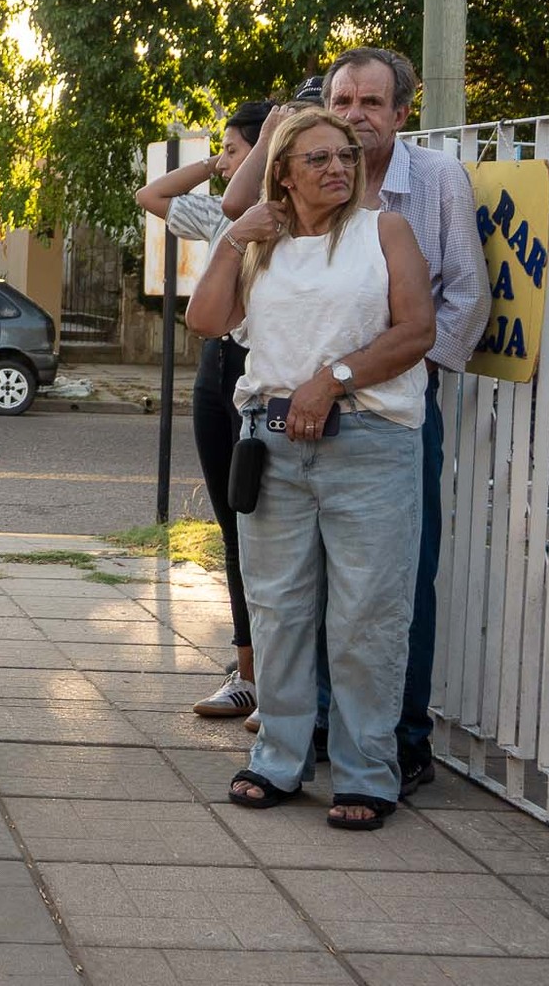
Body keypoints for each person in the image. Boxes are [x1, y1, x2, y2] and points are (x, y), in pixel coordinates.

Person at [224, 50, 487, 794]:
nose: (354, 118)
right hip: (284, 432)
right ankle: (303, 737)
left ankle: (395, 746)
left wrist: (380, 377)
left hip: (386, 417)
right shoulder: (277, 220)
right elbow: (225, 290)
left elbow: (459, 301)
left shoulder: (429, 186)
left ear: (401, 112)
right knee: (287, 600)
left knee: (385, 594)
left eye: (371, 103)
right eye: (342, 102)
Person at [190, 107, 434, 830]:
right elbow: (206, 320)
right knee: (278, 611)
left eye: (346, 157)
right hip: (271, 443)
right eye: (319, 158)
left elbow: (416, 329)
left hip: (368, 441)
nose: (338, 168)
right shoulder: (260, 244)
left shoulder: (384, 232)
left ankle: (367, 773)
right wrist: (235, 238)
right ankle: (278, 760)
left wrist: (333, 378)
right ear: (284, 176)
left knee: (366, 616)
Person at [134, 100, 273, 724]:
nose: (224, 160)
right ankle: (247, 673)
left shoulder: (285, 216)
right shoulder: (223, 214)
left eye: (234, 149)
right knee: (233, 522)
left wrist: (257, 151)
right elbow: (152, 195)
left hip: (261, 365)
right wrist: (215, 163)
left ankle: (282, 678)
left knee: (271, 528)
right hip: (217, 362)